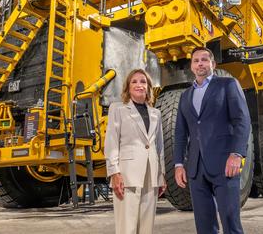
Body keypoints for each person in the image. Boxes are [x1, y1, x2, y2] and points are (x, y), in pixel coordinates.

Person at [174, 47, 251, 234]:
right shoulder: (185, 96)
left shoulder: (228, 84)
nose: (200, 63)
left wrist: (236, 154)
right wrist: (178, 164)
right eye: (196, 60)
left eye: (204, 59)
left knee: (230, 220)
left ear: (213, 64)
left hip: (225, 164)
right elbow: (180, 133)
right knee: (204, 224)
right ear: (191, 66)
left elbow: (242, 120)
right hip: (196, 168)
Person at [105, 69, 167, 234]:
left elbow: (159, 146)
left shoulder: (156, 113)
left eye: (143, 81)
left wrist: (161, 175)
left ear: (148, 87)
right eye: (134, 82)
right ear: (127, 87)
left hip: (151, 173)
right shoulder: (117, 109)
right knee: (127, 226)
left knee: (147, 227)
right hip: (127, 175)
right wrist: (114, 173)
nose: (139, 85)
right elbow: (111, 142)